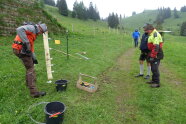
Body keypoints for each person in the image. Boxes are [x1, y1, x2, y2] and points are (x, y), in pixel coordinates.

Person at [12, 22, 47, 98]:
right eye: (42, 32)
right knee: (31, 69)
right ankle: (34, 92)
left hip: (19, 49)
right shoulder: (32, 28)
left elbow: (31, 48)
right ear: (40, 28)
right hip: (21, 49)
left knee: (29, 67)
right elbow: (19, 29)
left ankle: (28, 84)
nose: (41, 33)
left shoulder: (34, 33)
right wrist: (26, 42)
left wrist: (34, 58)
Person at [143, 24, 164, 88]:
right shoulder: (152, 34)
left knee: (155, 68)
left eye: (146, 30)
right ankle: (153, 80)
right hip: (152, 52)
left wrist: (152, 56)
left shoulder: (155, 34)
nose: (146, 32)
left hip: (157, 53)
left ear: (150, 29)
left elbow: (156, 46)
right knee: (152, 67)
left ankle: (157, 83)